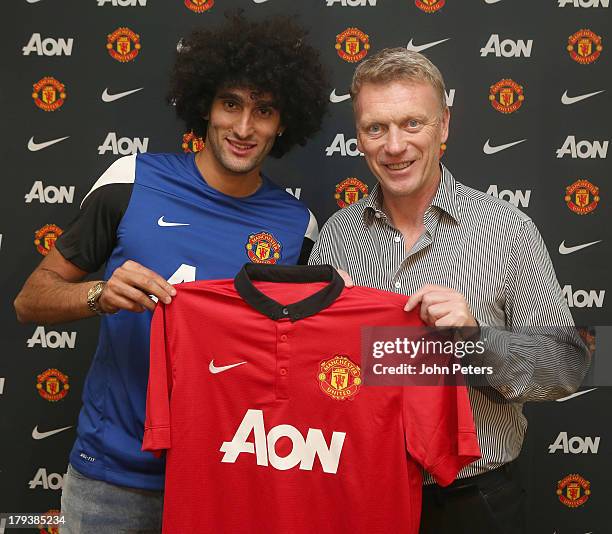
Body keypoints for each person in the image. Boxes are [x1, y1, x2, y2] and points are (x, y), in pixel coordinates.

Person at [14, 12, 328, 533]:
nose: (244, 128)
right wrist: (101, 294)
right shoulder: (132, 179)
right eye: (231, 103)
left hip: (227, 478)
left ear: (285, 121)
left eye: (264, 111)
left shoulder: (298, 227)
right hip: (109, 478)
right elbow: (29, 300)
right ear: (205, 103)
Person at [308, 48, 590, 534]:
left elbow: (567, 365)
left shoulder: (507, 230)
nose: (394, 145)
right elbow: (312, 375)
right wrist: (330, 332)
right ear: (359, 137)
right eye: (376, 128)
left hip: (472, 502)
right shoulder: (335, 236)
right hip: (357, 493)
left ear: (444, 127)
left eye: (412, 123)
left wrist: (474, 341)